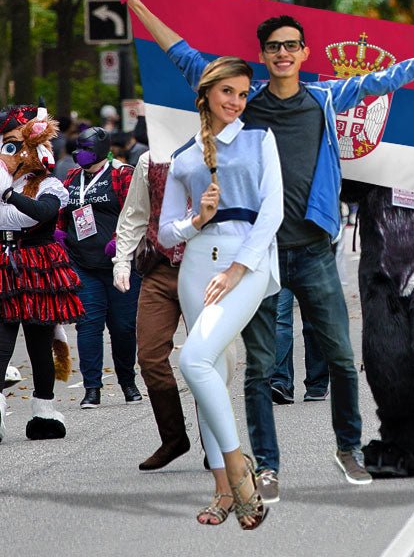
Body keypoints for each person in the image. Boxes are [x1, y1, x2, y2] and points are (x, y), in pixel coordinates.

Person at [127, 0, 414, 499]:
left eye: (292, 45)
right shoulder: (245, 104)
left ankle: (348, 449)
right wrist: (138, 8)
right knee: (261, 368)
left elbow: (386, 79)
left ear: (304, 53)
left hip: (313, 250)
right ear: (263, 56)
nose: (284, 53)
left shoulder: (326, 98)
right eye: (274, 48)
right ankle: (266, 466)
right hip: (258, 255)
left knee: (338, 355)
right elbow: (185, 57)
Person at [159, 56, 280, 528]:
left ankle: (239, 473)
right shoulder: (184, 156)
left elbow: (272, 211)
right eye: (228, 91)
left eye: (243, 93)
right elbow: (167, 234)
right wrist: (196, 220)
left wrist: (237, 268)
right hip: (195, 266)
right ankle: (222, 492)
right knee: (209, 373)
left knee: (193, 359)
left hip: (244, 263)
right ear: (207, 93)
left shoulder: (259, 138)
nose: (236, 101)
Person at [0, 104, 81, 442]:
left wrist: (7, 196)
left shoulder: (49, 185)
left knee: (39, 344)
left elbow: (41, 214)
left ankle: (44, 411)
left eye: (15, 145)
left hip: (37, 267)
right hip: (4, 265)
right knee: (2, 345)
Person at [112, 152, 192, 470]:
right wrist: (121, 260)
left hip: (204, 269)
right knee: (149, 356)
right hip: (159, 269)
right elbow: (134, 215)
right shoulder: (150, 160)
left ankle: (216, 441)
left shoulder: (220, 149)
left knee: (206, 358)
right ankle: (173, 437)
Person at [60, 127, 141, 409]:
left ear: (100, 148)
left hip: (121, 264)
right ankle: (92, 387)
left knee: (123, 327)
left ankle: (128, 382)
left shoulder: (122, 174)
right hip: (83, 264)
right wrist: (60, 234)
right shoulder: (72, 177)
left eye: (85, 147)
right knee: (88, 326)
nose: (78, 152)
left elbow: (137, 213)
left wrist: (120, 242)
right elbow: (63, 212)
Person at [270, 285, 329, 404]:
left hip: (312, 267)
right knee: (280, 319)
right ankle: (281, 382)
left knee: (313, 322)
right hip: (281, 267)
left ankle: (317, 385)